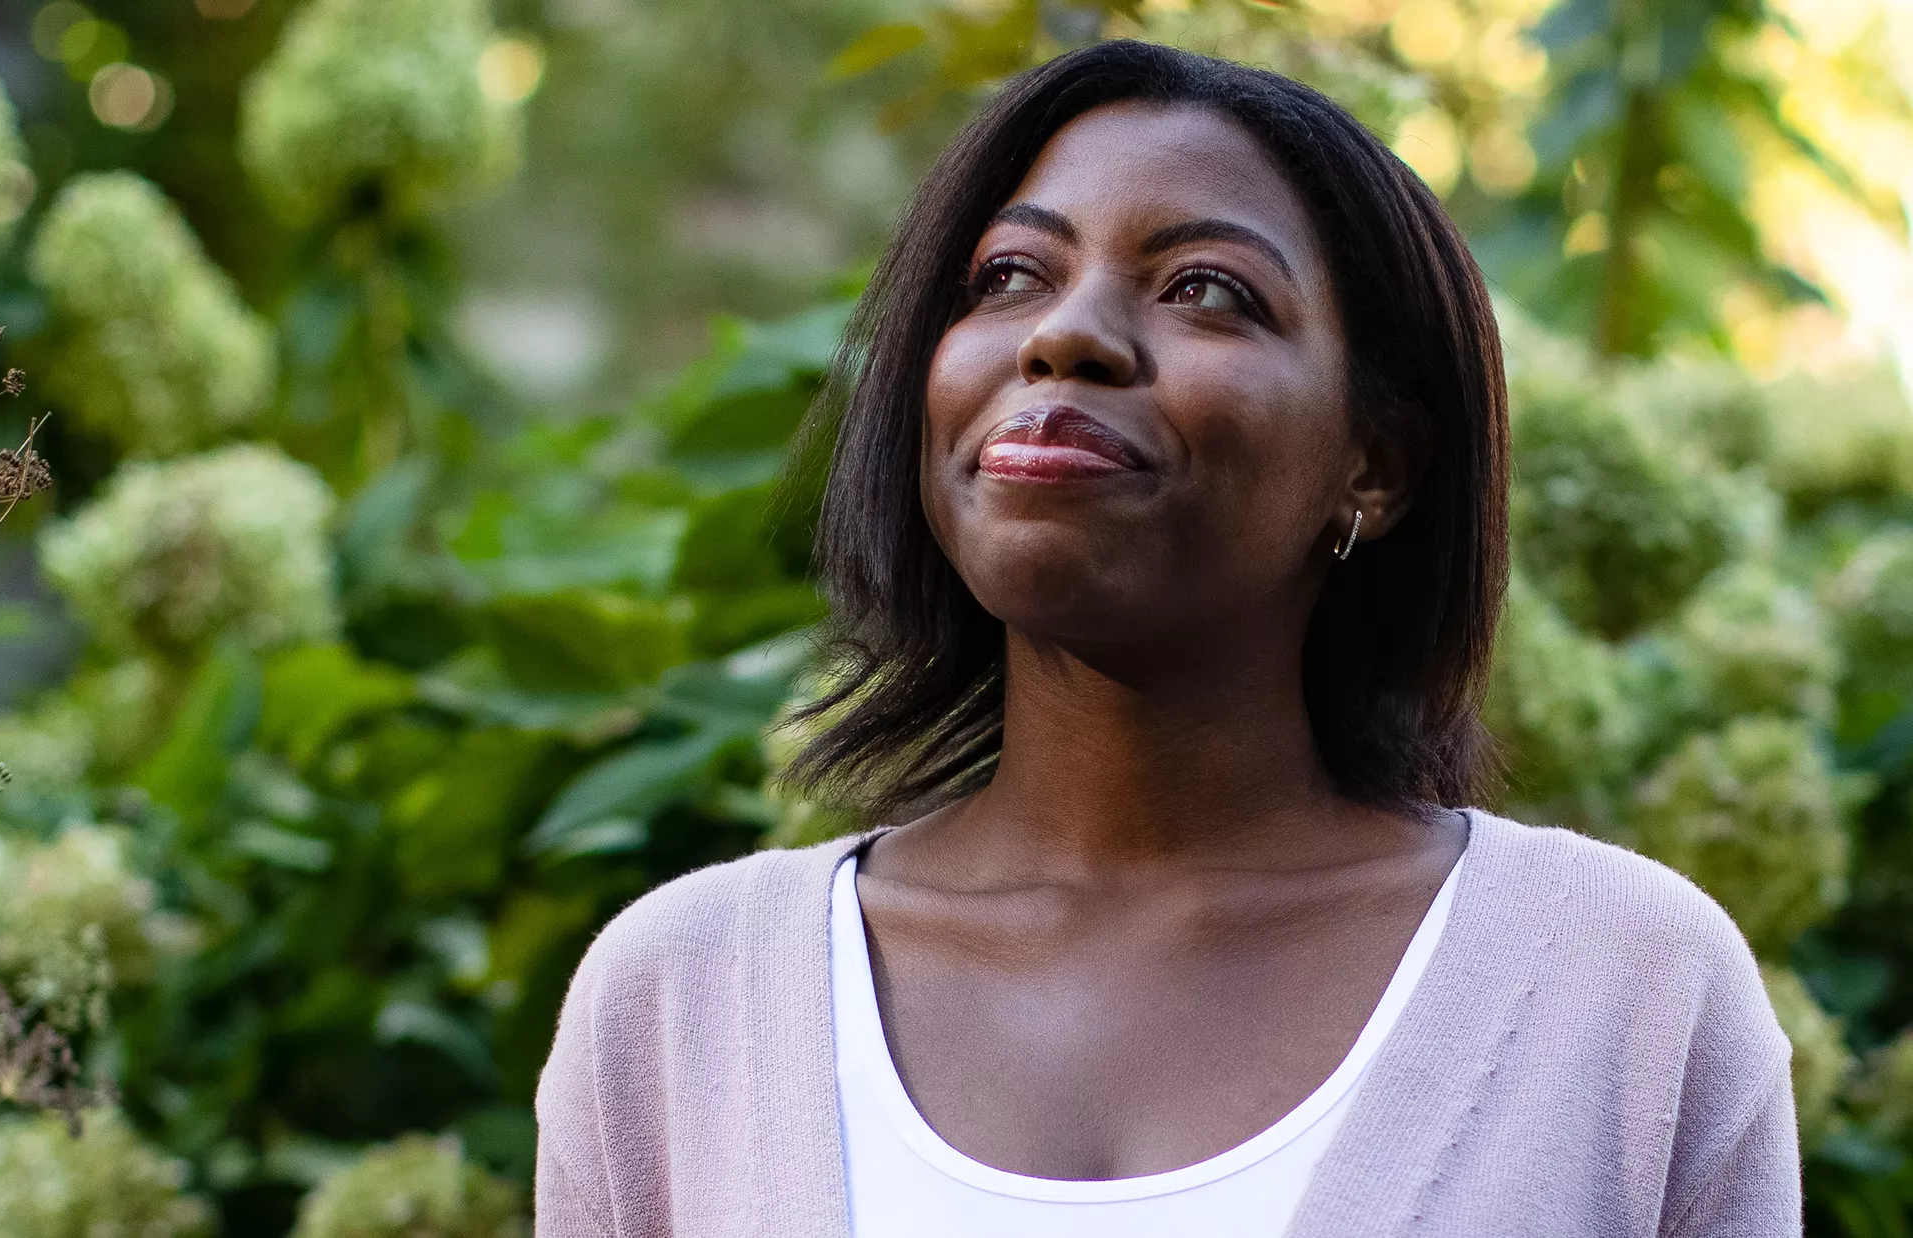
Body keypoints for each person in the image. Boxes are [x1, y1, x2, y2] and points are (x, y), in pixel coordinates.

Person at [534, 39, 1798, 1238]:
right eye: (1007, 275)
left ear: (1376, 464)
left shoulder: (1623, 989)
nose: (1063, 333)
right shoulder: (676, 1000)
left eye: (1207, 289)